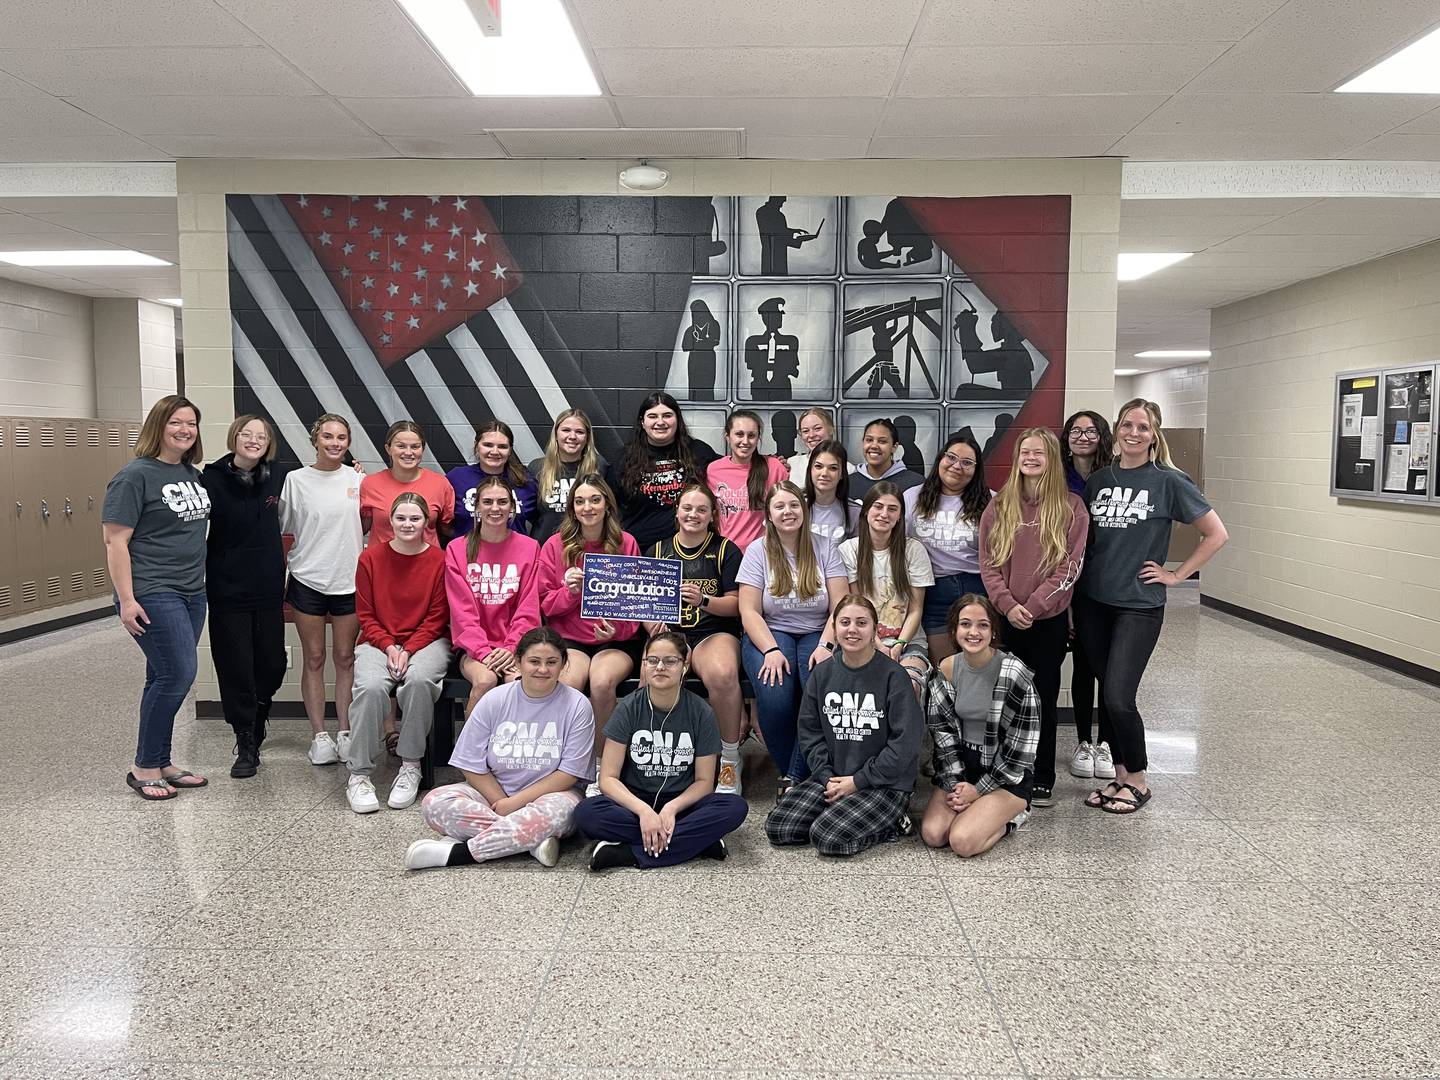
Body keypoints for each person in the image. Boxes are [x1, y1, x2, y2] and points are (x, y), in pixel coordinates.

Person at [1074, 399, 1229, 815]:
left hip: (1138, 605)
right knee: (1107, 695)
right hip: (1092, 602)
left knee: (1121, 697)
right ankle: (1120, 776)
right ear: (1118, 430)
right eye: (1128, 424)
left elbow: (1216, 534)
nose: (1134, 433)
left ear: (1154, 433)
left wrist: (1177, 576)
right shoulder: (1100, 480)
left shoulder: (1169, 481)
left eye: (1143, 427)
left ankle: (1139, 779)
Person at [405, 627, 594, 870]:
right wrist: (502, 802)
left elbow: (569, 774)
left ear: (563, 664)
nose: (543, 669)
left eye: (552, 662)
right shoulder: (495, 699)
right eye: (534, 661)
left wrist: (517, 803)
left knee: (560, 814)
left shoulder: (577, 705)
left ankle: (458, 853)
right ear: (518, 662)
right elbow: (470, 762)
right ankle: (531, 841)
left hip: (554, 797)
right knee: (435, 802)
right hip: (495, 794)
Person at [102, 394, 212, 801]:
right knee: (179, 673)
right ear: (158, 427)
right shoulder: (135, 476)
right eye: (175, 423)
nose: (185, 430)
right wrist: (127, 600)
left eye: (191, 423)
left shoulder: (190, 474)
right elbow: (115, 541)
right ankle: (143, 767)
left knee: (161, 676)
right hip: (152, 591)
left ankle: (160, 760)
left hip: (191, 591)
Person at [574, 633, 749, 870]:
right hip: (634, 804)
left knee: (735, 808)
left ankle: (628, 853)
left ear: (685, 666)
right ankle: (695, 842)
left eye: (670, 661)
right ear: (643, 665)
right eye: (652, 660)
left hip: (682, 805)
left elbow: (704, 782)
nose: (660, 667)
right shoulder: (628, 708)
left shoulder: (701, 712)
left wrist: (671, 808)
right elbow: (607, 778)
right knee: (587, 813)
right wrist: (645, 812)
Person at [978, 429, 1086, 807]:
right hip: (1006, 618)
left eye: (1040, 452)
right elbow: (988, 564)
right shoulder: (1000, 506)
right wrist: (1008, 606)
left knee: (1041, 699)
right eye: (1025, 451)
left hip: (1047, 621)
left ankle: (1041, 775)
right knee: (1003, 698)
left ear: (1053, 459)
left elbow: (1070, 568)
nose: (1031, 457)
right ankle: (1006, 771)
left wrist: (1035, 606)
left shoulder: (1072, 507)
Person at [765, 595, 921, 857]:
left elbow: (904, 746)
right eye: (845, 622)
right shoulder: (822, 674)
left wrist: (858, 781)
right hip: (834, 778)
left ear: (875, 630)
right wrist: (827, 778)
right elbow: (810, 734)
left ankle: (892, 822)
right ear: (834, 628)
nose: (852, 629)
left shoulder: (894, 677)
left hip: (884, 784)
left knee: (827, 838)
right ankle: (843, 810)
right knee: (779, 828)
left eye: (862, 623)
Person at [738, 481, 849, 794]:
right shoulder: (757, 550)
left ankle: (795, 779)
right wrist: (771, 650)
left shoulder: (825, 547)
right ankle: (798, 774)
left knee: (817, 686)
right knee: (775, 692)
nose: (788, 511)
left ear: (805, 510)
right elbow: (749, 612)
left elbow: (841, 604)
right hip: (771, 632)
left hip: (819, 630)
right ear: (769, 515)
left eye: (794, 505)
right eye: (780, 506)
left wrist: (827, 645)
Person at [536, 474, 643, 792]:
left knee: (602, 682)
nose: (588, 507)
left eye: (595, 499)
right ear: (571, 508)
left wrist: (619, 628)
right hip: (571, 639)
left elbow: (636, 603)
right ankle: (563, 765)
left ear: (607, 505)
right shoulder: (556, 546)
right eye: (580, 501)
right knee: (567, 682)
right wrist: (569, 591)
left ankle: (601, 767)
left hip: (616, 639)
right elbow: (545, 606)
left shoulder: (626, 543)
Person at [345, 493, 450, 814]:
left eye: (414, 519)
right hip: (379, 641)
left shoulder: (439, 560)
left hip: (427, 639)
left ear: (426, 523)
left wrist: (410, 649)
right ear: (390, 521)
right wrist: (391, 647)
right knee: (371, 687)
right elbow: (365, 614)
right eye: (401, 518)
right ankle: (359, 774)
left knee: (418, 681)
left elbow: (437, 617)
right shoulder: (370, 559)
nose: (407, 524)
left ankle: (410, 763)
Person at [200, 414, 287, 779]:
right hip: (227, 585)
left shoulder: (278, 475)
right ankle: (245, 738)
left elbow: (326, 471)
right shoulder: (209, 478)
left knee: (272, 662)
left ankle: (260, 710)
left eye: (261, 435)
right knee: (235, 663)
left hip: (268, 584)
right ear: (234, 437)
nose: (253, 440)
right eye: (247, 434)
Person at [921, 595, 1039, 858]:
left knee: (962, 841)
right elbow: (943, 737)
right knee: (933, 834)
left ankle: (1014, 816)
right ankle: (976, 810)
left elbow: (1020, 749)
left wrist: (979, 790)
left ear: (993, 630)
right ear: (954, 630)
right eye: (965, 624)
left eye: (983, 625)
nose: (973, 632)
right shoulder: (946, 669)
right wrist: (956, 784)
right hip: (964, 768)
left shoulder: (1014, 674)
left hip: (1005, 775)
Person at [279, 414, 365, 767]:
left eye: (341, 437)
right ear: (315, 440)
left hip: (350, 580)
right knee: (314, 658)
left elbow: (368, 524)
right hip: (308, 578)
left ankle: (345, 731)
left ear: (348, 442)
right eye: (327, 436)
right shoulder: (295, 480)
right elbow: (286, 525)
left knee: (345, 658)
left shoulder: (358, 479)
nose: (334, 443)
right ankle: (319, 736)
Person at [648, 483, 745, 795]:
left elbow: (736, 604)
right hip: (672, 636)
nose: (693, 514)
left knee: (722, 673)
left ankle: (729, 759)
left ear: (711, 515)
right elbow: (643, 604)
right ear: (677, 512)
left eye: (702, 509)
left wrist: (704, 600)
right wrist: (653, 623)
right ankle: (654, 761)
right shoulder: (659, 551)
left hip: (713, 632)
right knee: (648, 677)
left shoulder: (726, 550)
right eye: (687, 508)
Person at [445, 475, 542, 715]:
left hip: (516, 646)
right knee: (485, 681)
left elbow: (528, 610)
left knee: (519, 682)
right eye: (487, 502)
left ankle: (514, 750)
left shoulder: (530, 548)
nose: (495, 508)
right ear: (476, 507)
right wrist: (485, 653)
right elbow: (462, 614)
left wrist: (511, 648)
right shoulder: (458, 549)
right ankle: (470, 751)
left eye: (502, 502)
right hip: (474, 649)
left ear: (512, 507)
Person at [1060, 410, 1115, 780]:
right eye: (1075, 431)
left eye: (1090, 430)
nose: (1082, 436)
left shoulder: (1115, 474)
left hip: (1110, 578)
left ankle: (1107, 743)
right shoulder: (1056, 478)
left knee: (1111, 669)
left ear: (1102, 435)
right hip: (1070, 581)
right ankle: (1083, 741)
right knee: (1083, 662)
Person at [839, 482, 934, 691]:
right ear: (866, 512)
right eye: (878, 507)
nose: (884, 514)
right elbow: (857, 609)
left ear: (900, 516)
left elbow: (916, 609)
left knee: (909, 686)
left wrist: (899, 644)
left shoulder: (914, 550)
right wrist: (877, 644)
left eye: (892, 509)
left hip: (909, 643)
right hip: (863, 640)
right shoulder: (848, 550)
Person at [906, 431, 991, 660]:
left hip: (977, 589)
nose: (957, 466)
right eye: (951, 457)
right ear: (941, 459)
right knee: (944, 667)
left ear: (976, 469)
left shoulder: (992, 501)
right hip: (933, 589)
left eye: (967, 462)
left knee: (976, 665)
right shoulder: (912, 497)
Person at [606, 391, 718, 551]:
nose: (660, 422)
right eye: (652, 416)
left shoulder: (699, 452)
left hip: (693, 549)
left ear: (677, 420)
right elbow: (608, 506)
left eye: (667, 415)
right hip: (641, 550)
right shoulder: (624, 459)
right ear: (642, 422)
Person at [360, 420, 454, 547]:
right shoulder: (370, 484)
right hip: (382, 564)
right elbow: (360, 528)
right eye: (401, 446)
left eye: (415, 446)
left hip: (426, 564)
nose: (409, 452)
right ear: (388, 449)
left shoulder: (440, 484)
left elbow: (448, 529)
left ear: (422, 449)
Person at [707, 409, 789, 550]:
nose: (745, 441)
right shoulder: (713, 470)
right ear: (728, 436)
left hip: (762, 553)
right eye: (739, 434)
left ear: (758, 438)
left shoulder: (774, 467)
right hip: (724, 553)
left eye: (751, 435)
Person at [447, 420, 538, 537]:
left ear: (510, 450)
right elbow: (443, 523)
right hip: (468, 552)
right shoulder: (457, 478)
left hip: (514, 553)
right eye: (488, 445)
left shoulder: (525, 480)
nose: (495, 452)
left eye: (502, 447)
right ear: (477, 446)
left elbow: (542, 520)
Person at [529, 408, 605, 543]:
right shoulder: (537, 468)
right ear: (556, 434)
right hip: (546, 550)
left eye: (579, 432)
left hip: (587, 550)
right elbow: (529, 513)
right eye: (566, 430)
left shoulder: (599, 466)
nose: (572, 437)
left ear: (587, 437)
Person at [849, 417, 923, 504]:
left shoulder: (915, 484)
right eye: (869, 440)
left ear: (894, 447)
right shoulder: (848, 483)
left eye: (882, 441)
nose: (874, 446)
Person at [803, 439, 858, 543]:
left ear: (842, 474)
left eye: (833, 468)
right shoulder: (795, 506)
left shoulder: (854, 512)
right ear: (810, 470)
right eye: (818, 466)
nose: (824, 473)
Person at [787, 406, 852, 481]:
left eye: (817, 428)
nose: (811, 435)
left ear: (831, 429)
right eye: (805, 431)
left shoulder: (849, 469)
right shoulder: (792, 463)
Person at [681, 299, 721, 402]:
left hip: (708, 358)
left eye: (701, 311)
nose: (699, 315)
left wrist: (697, 343)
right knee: (694, 383)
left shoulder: (714, 325)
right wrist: (703, 342)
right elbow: (685, 347)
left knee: (707, 383)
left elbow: (715, 342)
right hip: (694, 359)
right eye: (696, 312)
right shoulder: (690, 330)